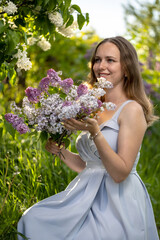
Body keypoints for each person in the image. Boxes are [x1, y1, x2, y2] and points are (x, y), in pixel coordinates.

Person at [17, 36, 159, 240]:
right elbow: (90, 166)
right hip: (84, 195)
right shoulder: (91, 106)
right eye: (97, 60)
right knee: (31, 220)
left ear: (127, 68)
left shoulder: (132, 110)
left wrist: (96, 133)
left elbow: (120, 173)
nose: (101, 66)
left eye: (110, 60)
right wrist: (59, 151)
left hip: (117, 203)